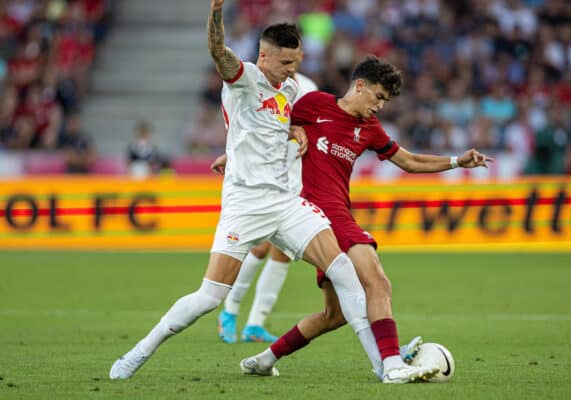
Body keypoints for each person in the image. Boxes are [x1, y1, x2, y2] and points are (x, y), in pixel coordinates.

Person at [109, 0, 437, 384]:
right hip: (244, 204)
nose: (291, 71)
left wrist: (292, 131)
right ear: (263, 55)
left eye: (296, 62)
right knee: (209, 297)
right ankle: (139, 352)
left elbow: (276, 126)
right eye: (285, 63)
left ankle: (388, 367)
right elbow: (218, 52)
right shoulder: (244, 77)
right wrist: (216, 12)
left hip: (285, 202)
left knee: (346, 272)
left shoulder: (291, 89)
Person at [214, 55, 492, 380]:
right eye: (378, 97)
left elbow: (410, 161)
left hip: (330, 216)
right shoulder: (314, 104)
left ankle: (264, 360)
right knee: (377, 281)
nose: (381, 106)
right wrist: (235, 153)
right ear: (360, 86)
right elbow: (269, 124)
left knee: (334, 315)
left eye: (386, 101)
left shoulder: (369, 128)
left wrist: (457, 161)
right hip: (319, 212)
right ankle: (391, 365)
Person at [217, 52, 319, 344]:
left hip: (295, 176)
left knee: (284, 253)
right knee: (259, 248)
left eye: (296, 59)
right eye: (286, 59)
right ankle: (230, 309)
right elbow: (250, 126)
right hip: (264, 178)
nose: (291, 65)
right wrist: (231, 153)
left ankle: (255, 323)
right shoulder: (259, 85)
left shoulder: (308, 88)